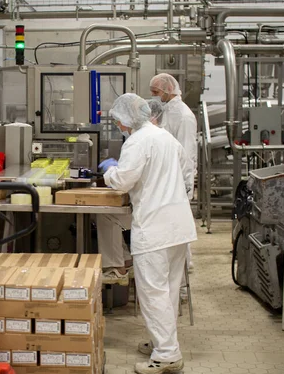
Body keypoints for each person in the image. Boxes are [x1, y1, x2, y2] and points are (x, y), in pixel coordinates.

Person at [98, 94, 197, 374]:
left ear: (127, 119)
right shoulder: (165, 137)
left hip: (155, 228)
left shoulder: (137, 141)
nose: (119, 126)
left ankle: (166, 355)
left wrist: (109, 171)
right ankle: (162, 341)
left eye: (118, 121)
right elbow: (180, 168)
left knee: (153, 292)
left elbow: (122, 182)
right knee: (169, 289)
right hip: (178, 226)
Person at [150, 73, 197, 278]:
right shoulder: (167, 111)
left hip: (177, 180)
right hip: (167, 179)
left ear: (168, 90)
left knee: (179, 230)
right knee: (171, 229)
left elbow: (187, 153)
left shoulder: (184, 116)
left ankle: (184, 275)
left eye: (156, 92)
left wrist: (186, 184)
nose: (153, 96)